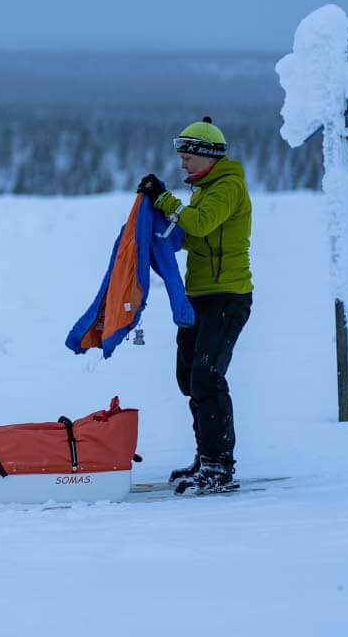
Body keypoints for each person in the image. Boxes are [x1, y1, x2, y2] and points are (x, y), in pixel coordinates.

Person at [137, 117, 253, 493]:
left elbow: (200, 224)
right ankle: (205, 457)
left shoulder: (227, 187)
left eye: (187, 156)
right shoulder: (205, 188)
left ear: (207, 157)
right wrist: (156, 223)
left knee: (207, 377)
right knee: (189, 378)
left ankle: (219, 466)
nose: (182, 163)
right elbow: (193, 236)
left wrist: (165, 199)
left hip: (227, 297)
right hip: (198, 298)